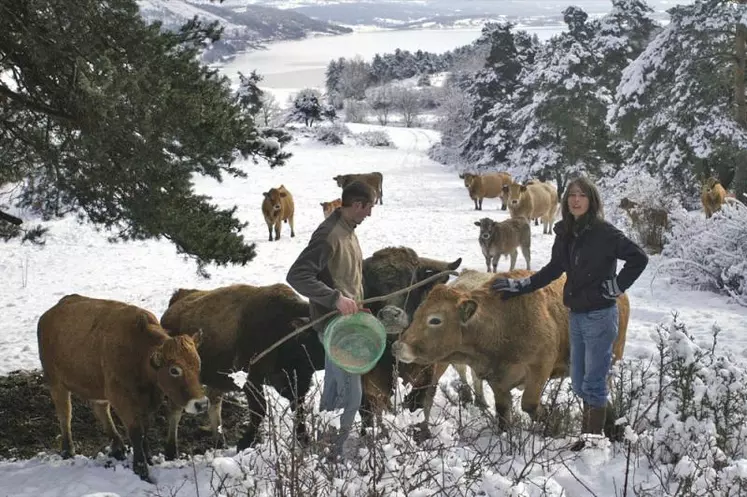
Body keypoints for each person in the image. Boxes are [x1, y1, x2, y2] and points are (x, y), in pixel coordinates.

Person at [491, 176, 648, 451]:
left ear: (592, 200)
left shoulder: (605, 233)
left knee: (594, 381)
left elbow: (638, 258)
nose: (576, 200)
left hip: (601, 315)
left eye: (582, 195)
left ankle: (592, 442)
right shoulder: (566, 233)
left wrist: (617, 286)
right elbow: (553, 270)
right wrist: (521, 285)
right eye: (572, 195)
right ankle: (613, 429)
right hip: (575, 315)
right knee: (578, 382)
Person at [286, 180, 376, 458]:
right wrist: (336, 299)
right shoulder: (329, 235)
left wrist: (356, 304)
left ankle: (326, 448)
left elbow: (346, 277)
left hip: (348, 321)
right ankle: (334, 455)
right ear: (357, 205)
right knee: (350, 393)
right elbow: (297, 275)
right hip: (333, 325)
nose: (370, 214)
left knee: (338, 387)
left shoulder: (349, 231)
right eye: (369, 208)